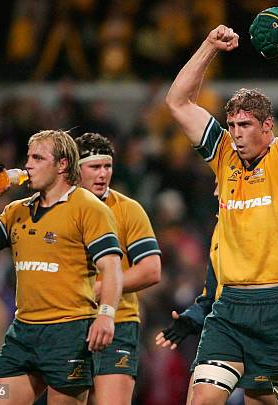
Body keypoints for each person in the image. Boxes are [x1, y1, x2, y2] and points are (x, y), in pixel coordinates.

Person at [165, 24, 278, 405]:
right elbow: (178, 102)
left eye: (244, 125)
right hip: (230, 306)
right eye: (231, 125)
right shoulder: (224, 157)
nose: (235, 133)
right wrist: (208, 46)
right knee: (201, 399)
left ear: (268, 128)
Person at [0, 130, 123, 405]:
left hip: (69, 332)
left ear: (62, 165)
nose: (28, 165)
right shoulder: (16, 210)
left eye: (37, 158)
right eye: (28, 157)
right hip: (23, 331)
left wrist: (106, 314)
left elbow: (112, 266)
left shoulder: (88, 208)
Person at [155, 183, 277, 405]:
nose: (214, 193)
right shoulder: (219, 230)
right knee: (199, 396)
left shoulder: (274, 222)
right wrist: (190, 319)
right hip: (225, 328)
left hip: (268, 328)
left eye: (219, 185)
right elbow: (211, 296)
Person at [75, 132, 162, 405]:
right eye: (94, 167)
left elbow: (151, 269)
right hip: (67, 321)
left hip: (118, 321)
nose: (103, 174)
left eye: (107, 166)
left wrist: (102, 288)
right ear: (75, 170)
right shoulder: (59, 210)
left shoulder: (127, 209)